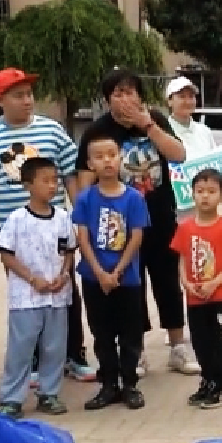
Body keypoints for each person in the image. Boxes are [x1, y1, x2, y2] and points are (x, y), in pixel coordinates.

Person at [76, 68, 191, 378]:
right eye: (117, 93)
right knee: (131, 285)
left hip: (160, 214)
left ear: (140, 96)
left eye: (130, 92)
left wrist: (148, 125)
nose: (125, 98)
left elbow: (179, 154)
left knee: (167, 279)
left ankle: (178, 346)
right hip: (118, 223)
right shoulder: (97, 131)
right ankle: (134, 350)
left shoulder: (154, 120)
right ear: (107, 100)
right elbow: (84, 180)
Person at [0, 68, 94, 382]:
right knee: (26, 299)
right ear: (0, 99)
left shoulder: (52, 131)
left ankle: (73, 355)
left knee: (65, 293)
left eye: (29, 94)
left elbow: (71, 178)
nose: (27, 100)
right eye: (18, 95)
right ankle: (32, 362)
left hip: (54, 232)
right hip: (15, 238)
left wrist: (81, 223)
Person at [74, 135, 151, 411]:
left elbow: (136, 236)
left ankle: (129, 384)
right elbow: (82, 238)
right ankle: (109, 385)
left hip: (127, 279)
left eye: (112, 154)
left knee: (131, 334)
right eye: (99, 156)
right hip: (94, 279)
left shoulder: (134, 198)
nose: (107, 160)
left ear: (121, 158)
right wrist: (99, 272)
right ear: (90, 164)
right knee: (101, 333)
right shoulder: (85, 199)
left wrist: (116, 272)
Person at [0, 158, 76, 418]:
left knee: (54, 347)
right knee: (21, 347)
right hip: (26, 298)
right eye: (45, 181)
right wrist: (32, 278)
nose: (52, 186)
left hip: (57, 296)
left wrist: (64, 275)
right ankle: (12, 398)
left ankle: (49, 394)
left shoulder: (63, 218)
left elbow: (68, 251)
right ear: (28, 185)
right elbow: (7, 255)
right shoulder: (17, 219)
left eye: (55, 180)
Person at [170, 169, 222, 410]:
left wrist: (215, 282)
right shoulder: (185, 227)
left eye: (212, 192)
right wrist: (185, 282)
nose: (205, 197)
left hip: (221, 297)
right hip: (195, 298)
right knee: (201, 342)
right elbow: (181, 257)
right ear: (191, 194)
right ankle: (208, 381)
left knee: (221, 342)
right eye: (200, 191)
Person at [164, 76, 218, 161]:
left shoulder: (205, 131)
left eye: (191, 96)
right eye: (182, 96)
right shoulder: (163, 132)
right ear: (169, 101)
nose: (188, 101)